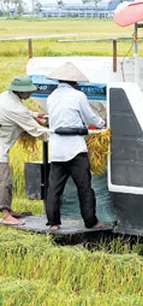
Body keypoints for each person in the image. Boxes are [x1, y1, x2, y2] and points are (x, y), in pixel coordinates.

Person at [46, 62, 106, 231]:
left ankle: (53, 223)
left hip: (57, 149)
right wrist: (103, 124)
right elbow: (90, 118)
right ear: (75, 82)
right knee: (84, 187)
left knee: (54, 189)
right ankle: (90, 221)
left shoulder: (51, 97)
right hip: (75, 149)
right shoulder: (78, 96)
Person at [0, 75, 49, 225]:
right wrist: (62, 138)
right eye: (28, 91)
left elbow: (21, 111)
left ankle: (8, 210)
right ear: (19, 92)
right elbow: (37, 131)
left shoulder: (5, 97)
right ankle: (6, 215)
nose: (30, 94)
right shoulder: (14, 109)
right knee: (5, 181)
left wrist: (36, 114)